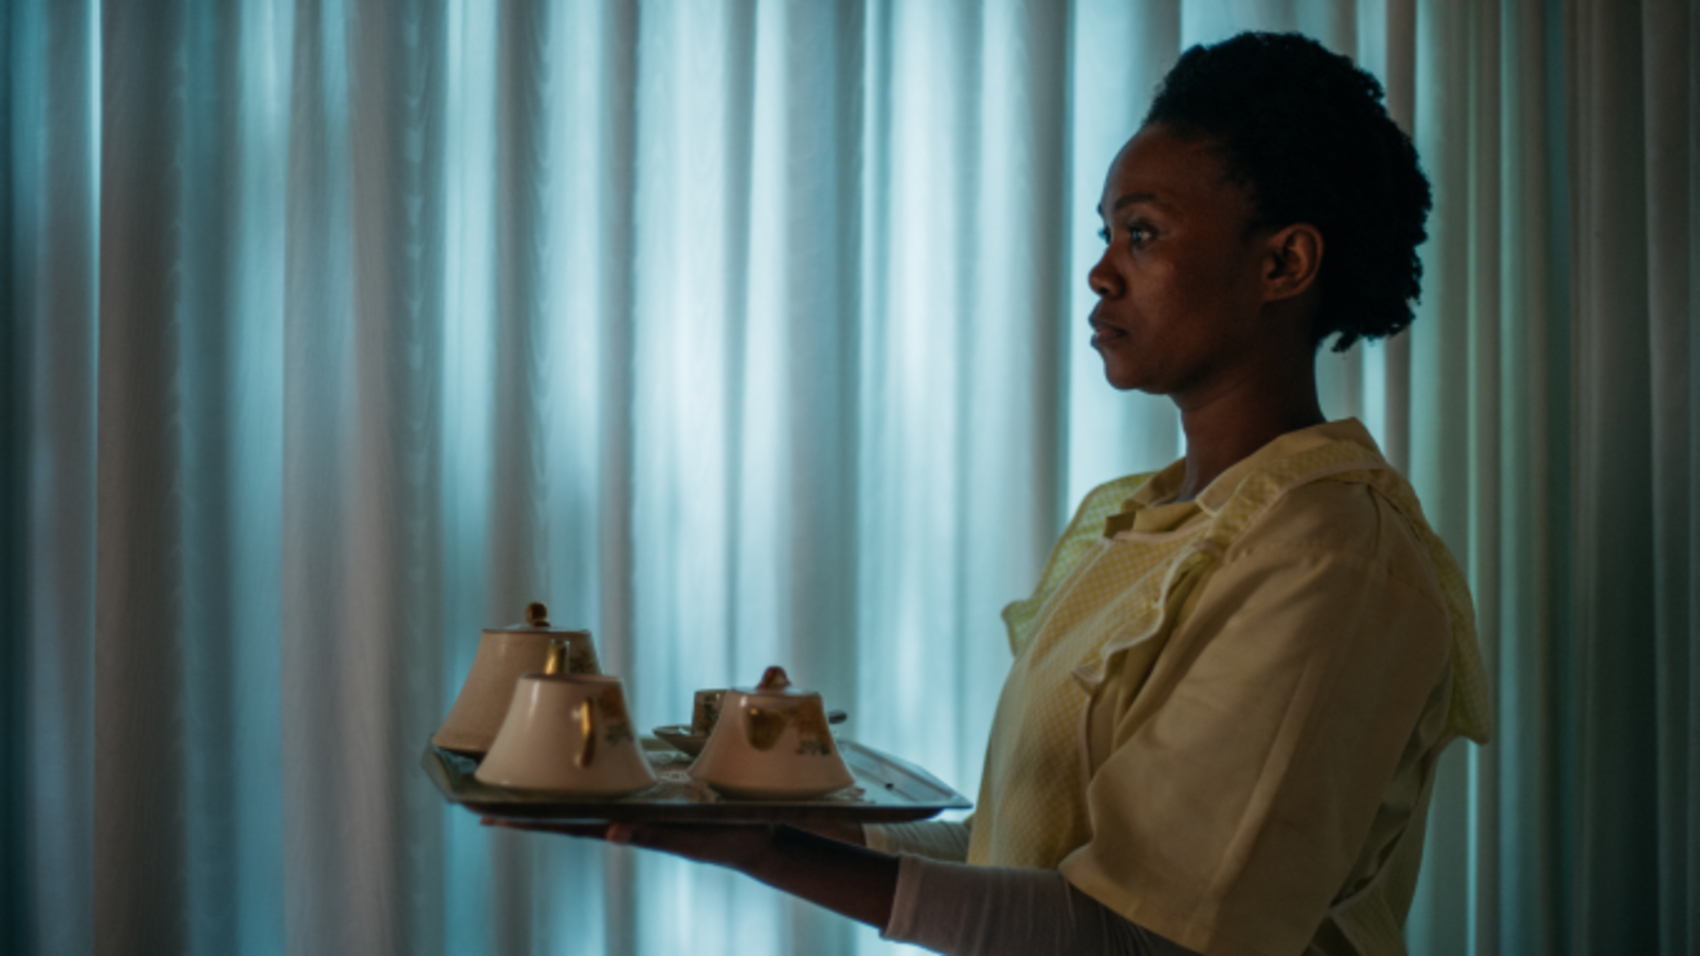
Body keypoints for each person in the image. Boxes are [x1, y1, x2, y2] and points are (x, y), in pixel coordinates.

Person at [489, 31, 1490, 956]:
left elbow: (1142, 934)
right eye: (1104, 233)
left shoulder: (1326, 554)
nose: (1099, 272)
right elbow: (1021, 866)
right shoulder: (1139, 517)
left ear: (1282, 261)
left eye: (1140, 234)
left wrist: (764, 849)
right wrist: (751, 808)